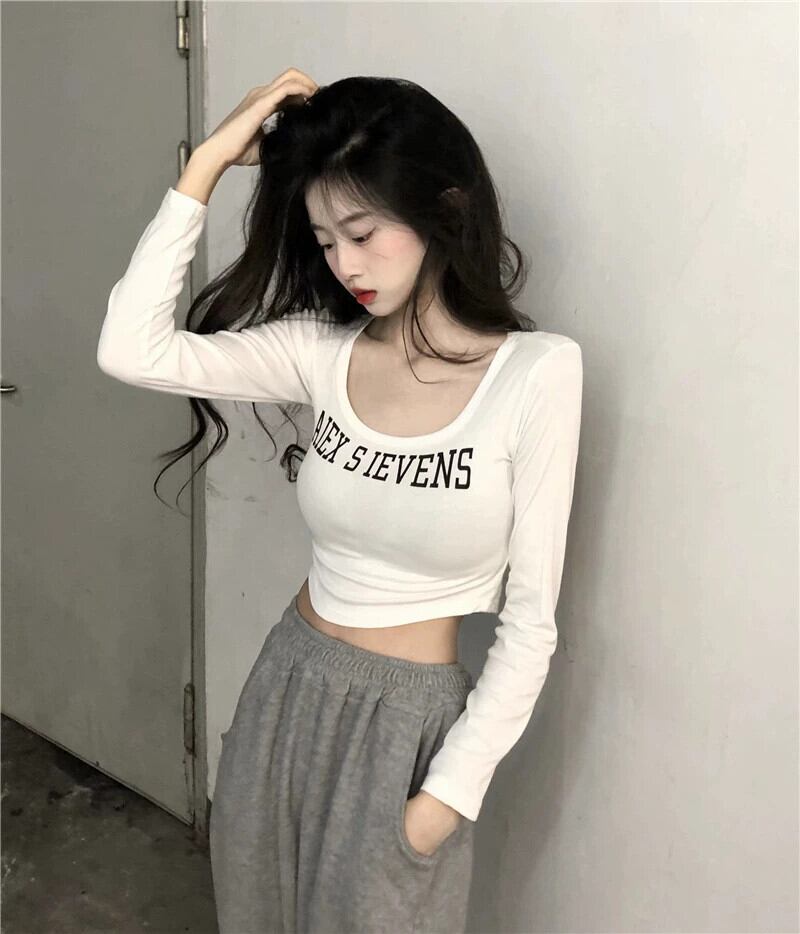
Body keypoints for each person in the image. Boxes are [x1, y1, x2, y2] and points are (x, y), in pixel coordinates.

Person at [97, 68, 583, 934]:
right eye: (324, 241)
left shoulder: (536, 374)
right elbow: (131, 350)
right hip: (287, 684)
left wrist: (440, 805)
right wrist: (205, 164)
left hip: (409, 727)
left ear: (444, 208)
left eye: (361, 232)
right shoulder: (320, 351)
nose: (345, 264)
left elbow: (532, 623)